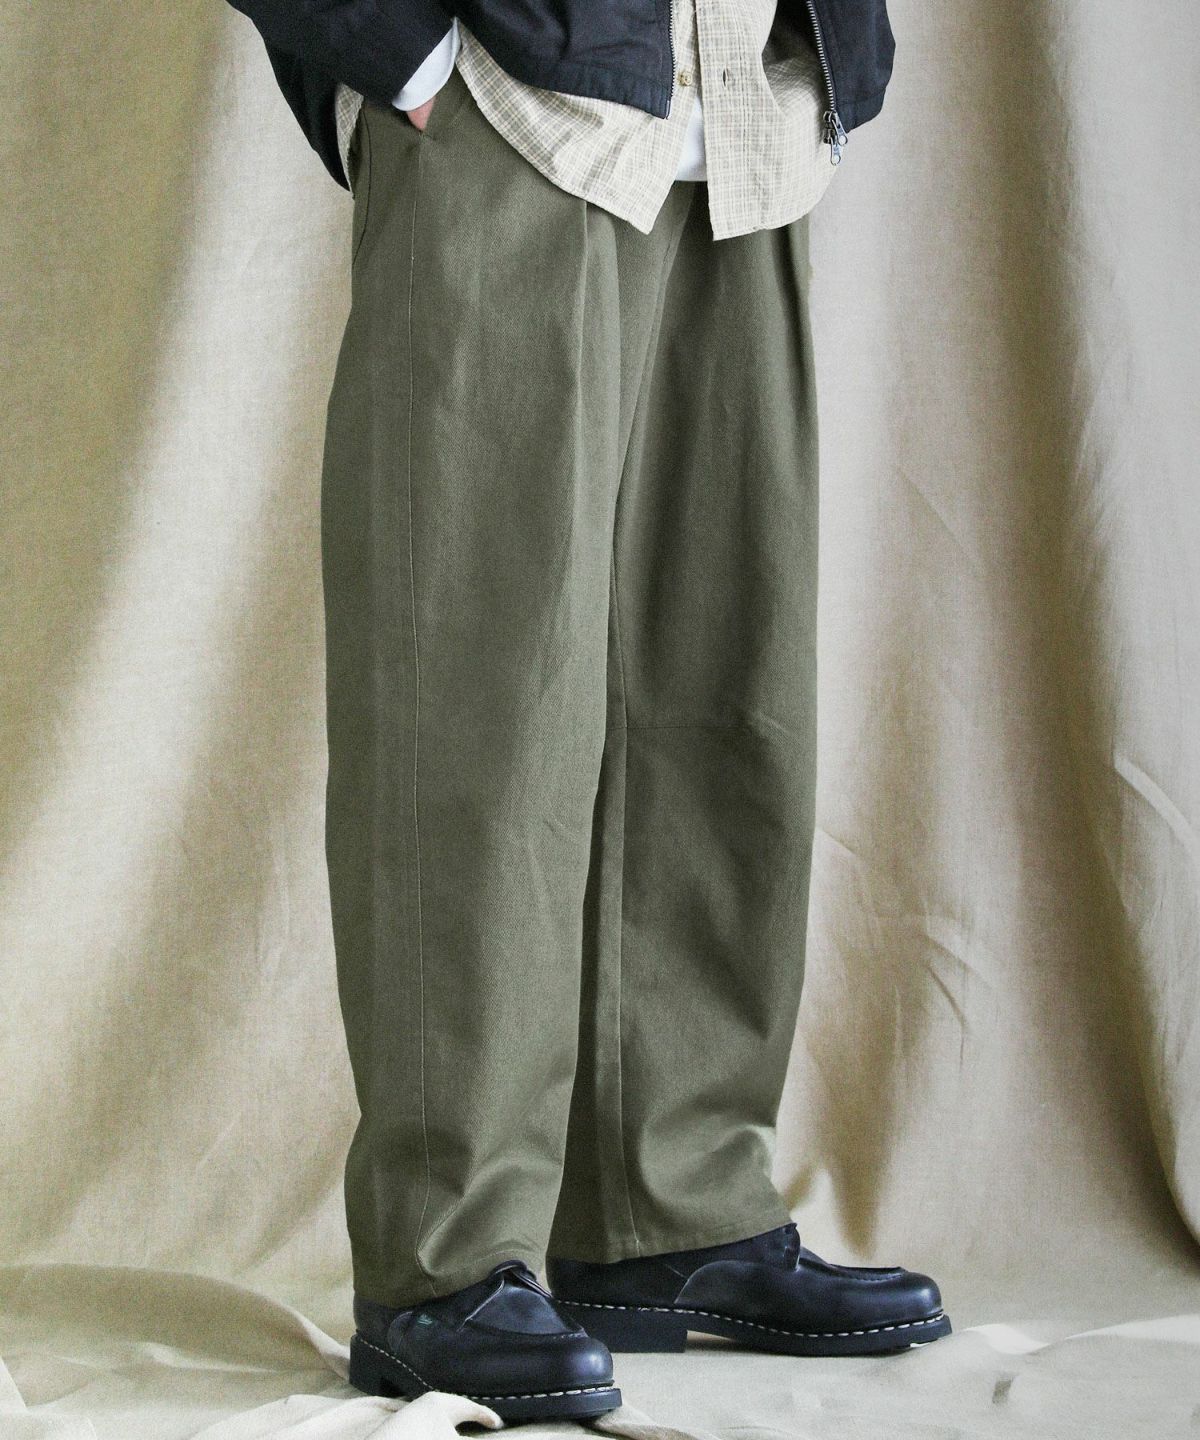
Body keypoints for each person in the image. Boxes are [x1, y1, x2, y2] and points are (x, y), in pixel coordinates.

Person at [225, 0, 951, 1423]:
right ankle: (444, 1263)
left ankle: (666, 1216)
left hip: (745, 113)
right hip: (510, 99)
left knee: (726, 695)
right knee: (476, 707)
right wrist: (401, 51)